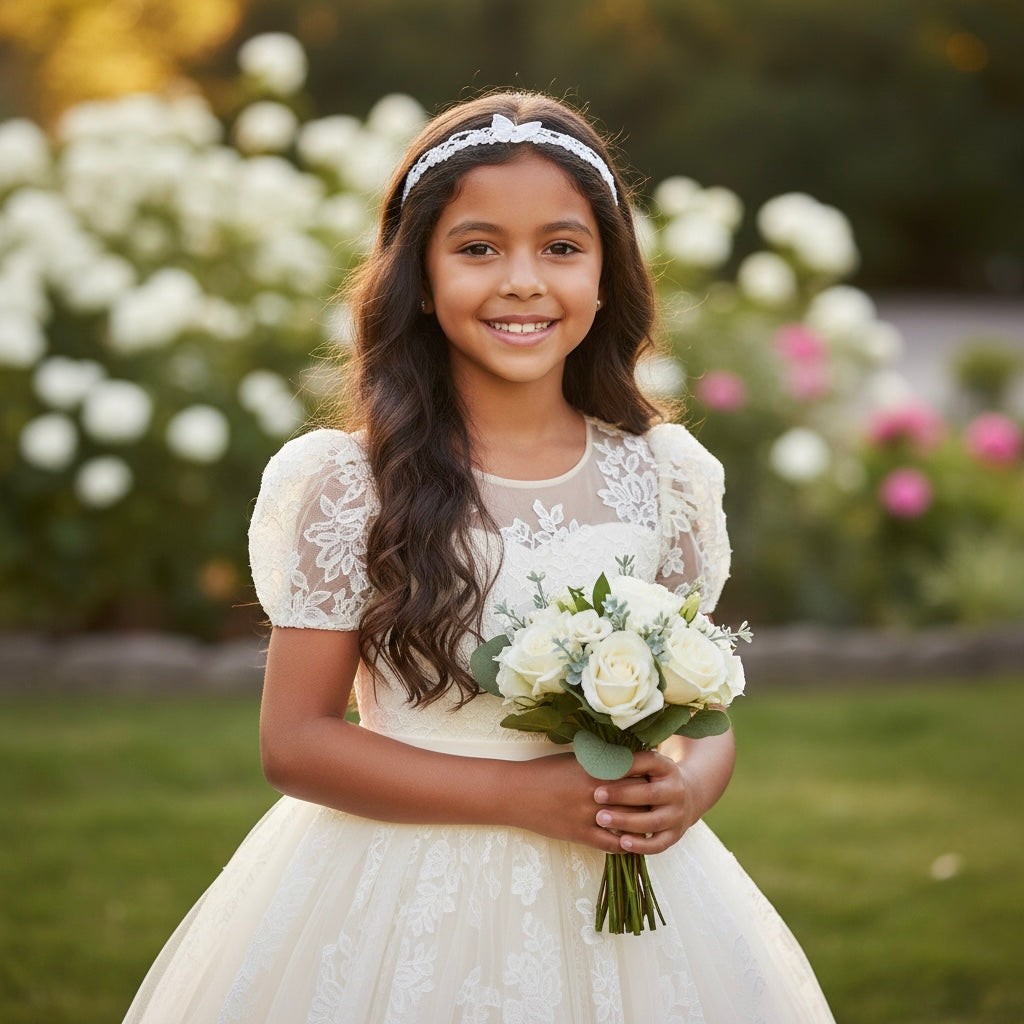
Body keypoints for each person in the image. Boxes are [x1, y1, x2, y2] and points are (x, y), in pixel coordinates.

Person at [124, 91, 835, 1022]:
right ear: (417, 274)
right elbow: (295, 742)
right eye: (478, 247)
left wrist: (685, 789)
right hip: (397, 885)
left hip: (624, 893)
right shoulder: (349, 484)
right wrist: (518, 795)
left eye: (562, 247)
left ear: (608, 275)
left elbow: (704, 712)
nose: (524, 281)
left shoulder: (662, 479)